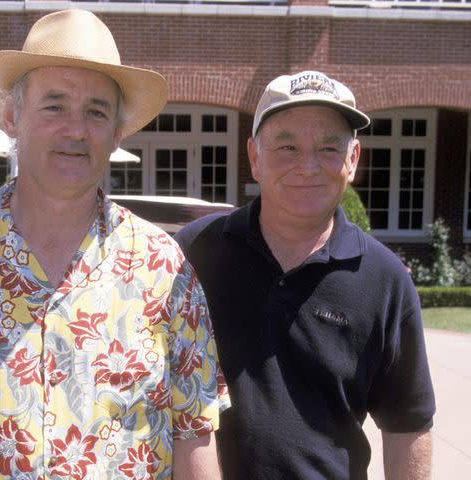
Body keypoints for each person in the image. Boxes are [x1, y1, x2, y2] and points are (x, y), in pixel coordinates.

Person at [0, 9, 229, 479]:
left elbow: (194, 436)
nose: (76, 130)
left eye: (96, 112)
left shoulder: (165, 270)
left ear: (116, 131)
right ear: (12, 116)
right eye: (54, 105)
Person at [175, 71, 436, 480]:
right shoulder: (192, 254)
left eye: (329, 147)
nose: (308, 166)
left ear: (352, 160)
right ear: (254, 157)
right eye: (287, 146)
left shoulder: (385, 281)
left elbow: (408, 425)